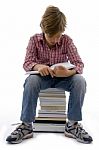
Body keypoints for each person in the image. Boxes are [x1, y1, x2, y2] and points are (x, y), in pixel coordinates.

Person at [6, 5, 93, 144]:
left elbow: (79, 64)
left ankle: (72, 125)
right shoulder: (34, 40)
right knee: (31, 81)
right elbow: (27, 62)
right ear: (44, 29)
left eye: (58, 35)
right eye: (51, 36)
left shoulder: (67, 41)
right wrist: (38, 66)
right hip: (42, 79)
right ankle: (26, 125)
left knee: (80, 81)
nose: (55, 40)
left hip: (63, 79)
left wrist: (68, 72)